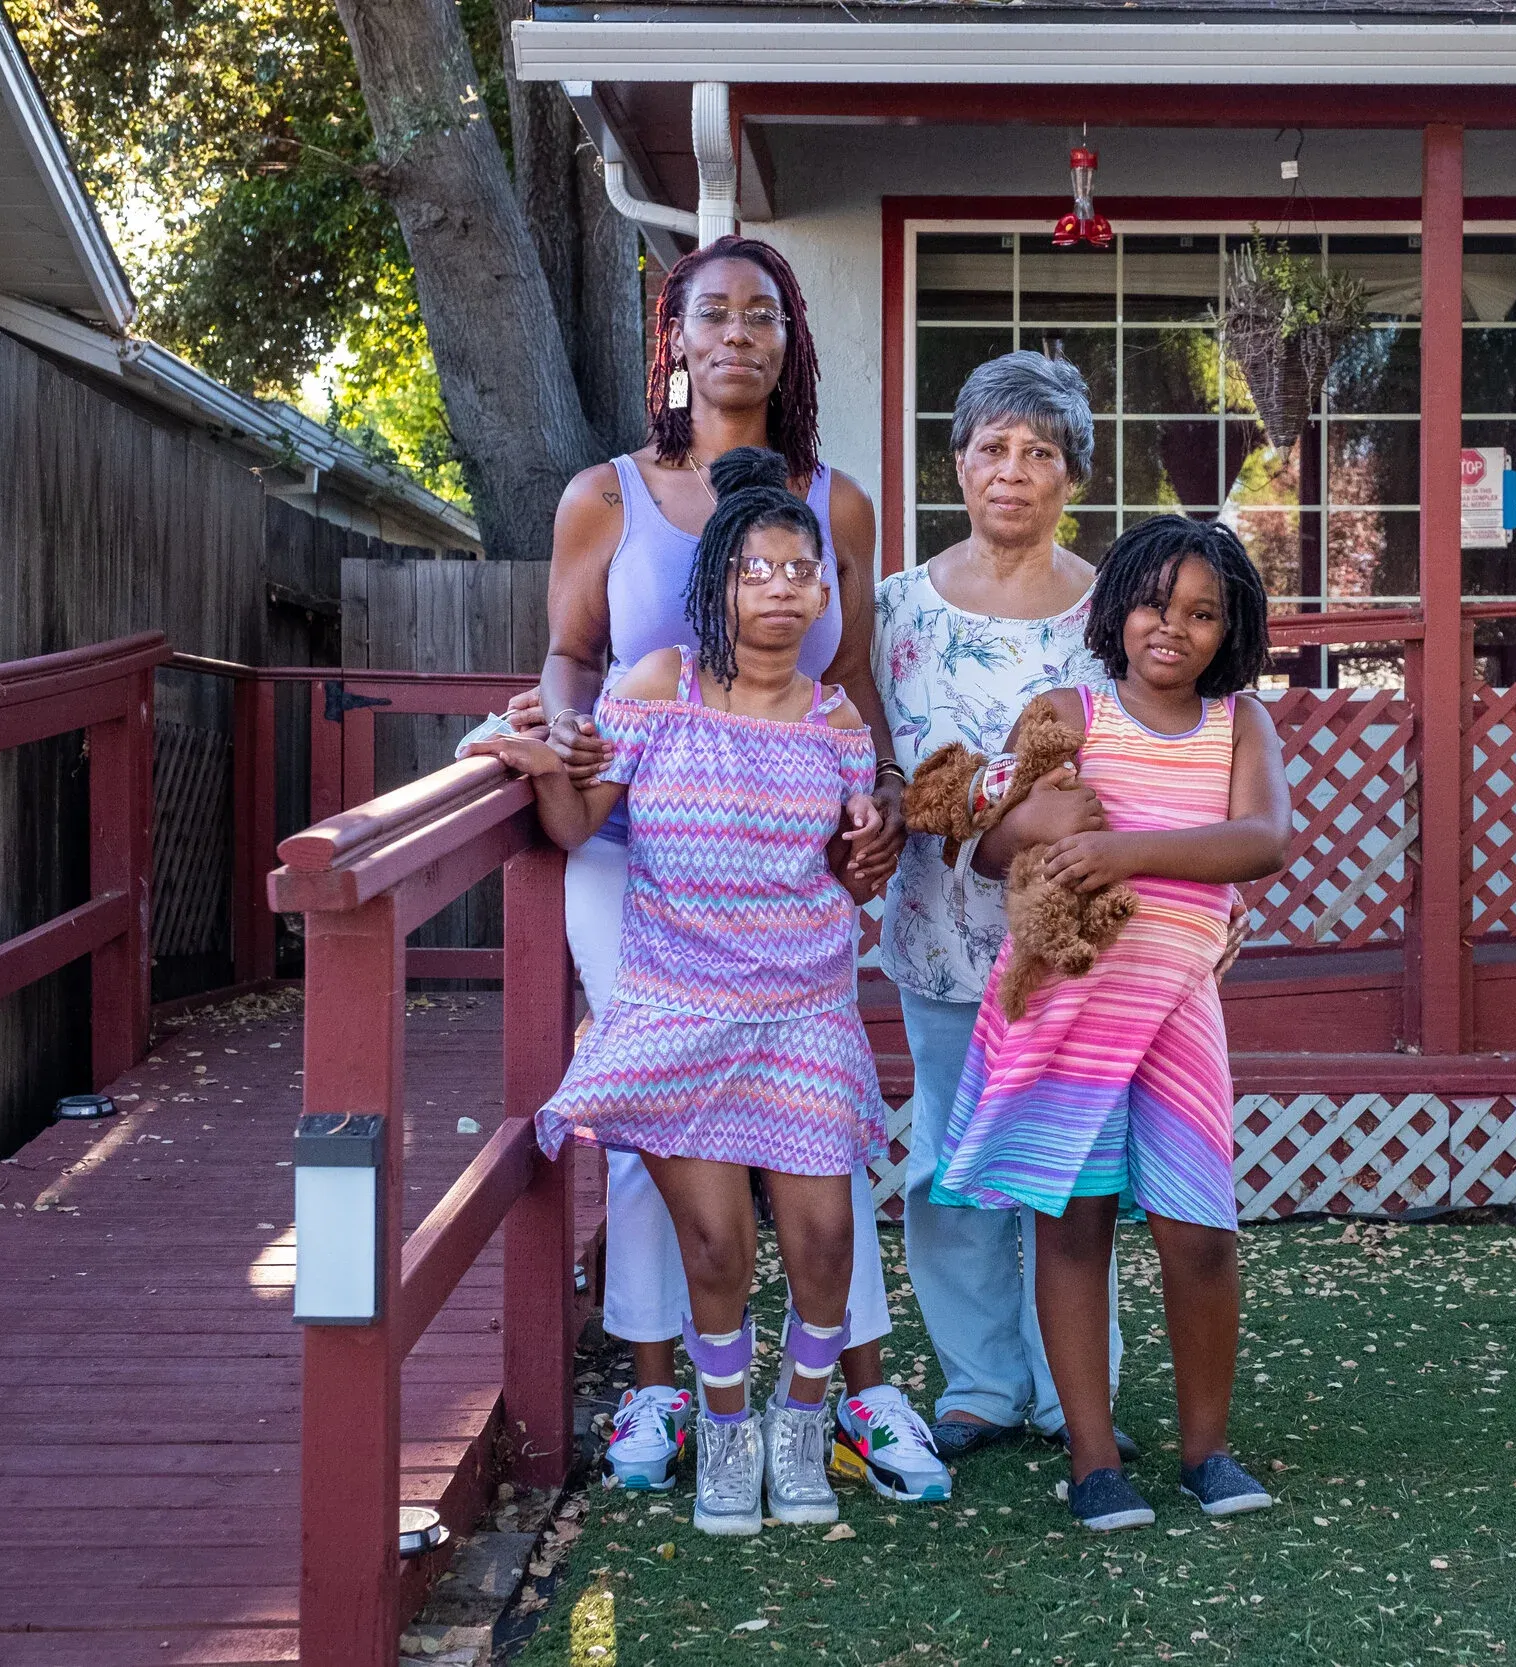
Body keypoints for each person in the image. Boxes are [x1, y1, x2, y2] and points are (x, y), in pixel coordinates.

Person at [509, 238, 943, 1504]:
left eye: (764, 314)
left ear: (790, 341)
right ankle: (663, 1386)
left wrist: (886, 800)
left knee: (815, 1113)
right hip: (630, 848)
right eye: (714, 313)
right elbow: (569, 654)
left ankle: (851, 1389)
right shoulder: (607, 493)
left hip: (787, 856)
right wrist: (565, 742)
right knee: (657, 1111)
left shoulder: (835, 504)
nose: (739, 332)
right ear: (677, 338)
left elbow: (851, 678)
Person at [477, 449, 884, 1537]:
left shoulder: (838, 721)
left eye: (803, 571)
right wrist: (541, 762)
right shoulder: (658, 684)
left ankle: (804, 1419)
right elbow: (578, 823)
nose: (785, 588)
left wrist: (872, 839)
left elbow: (850, 869)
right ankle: (728, 1427)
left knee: (825, 1241)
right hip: (679, 1002)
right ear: (716, 584)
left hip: (802, 1010)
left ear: (824, 593)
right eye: (759, 570)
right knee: (714, 1245)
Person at [934, 516, 1289, 1533]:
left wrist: (1125, 854)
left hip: (1176, 1006)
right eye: (1153, 603)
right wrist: (1035, 823)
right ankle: (1093, 1461)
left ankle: (1207, 1450)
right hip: (1071, 1005)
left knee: (1200, 1232)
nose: (1172, 627)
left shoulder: (1240, 725)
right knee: (1072, 1223)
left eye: (1202, 613)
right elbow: (991, 845)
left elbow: (1263, 838)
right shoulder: (1068, 713)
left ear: (1231, 630)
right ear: (1116, 607)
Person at [873, 351, 1135, 1463]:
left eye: (1040, 451)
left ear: (1073, 473)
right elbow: (877, 761)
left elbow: (1152, 759)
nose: (1014, 470)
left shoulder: (1115, 608)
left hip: (1071, 942)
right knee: (950, 1162)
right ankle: (979, 1382)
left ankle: (1074, 1386)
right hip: (937, 936)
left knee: (1072, 1170)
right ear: (959, 463)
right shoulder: (895, 607)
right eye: (993, 447)